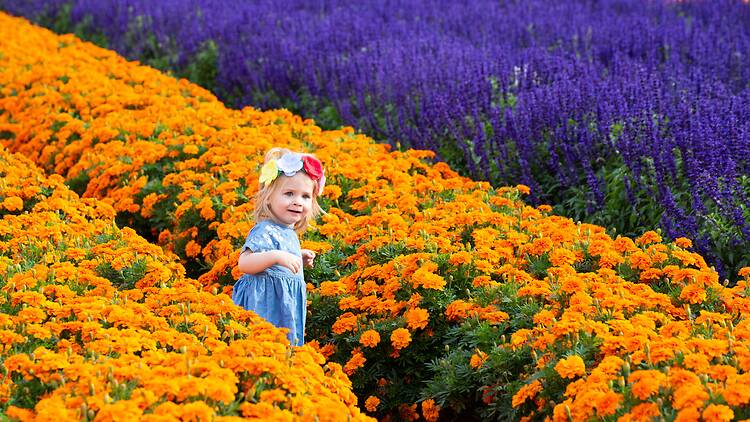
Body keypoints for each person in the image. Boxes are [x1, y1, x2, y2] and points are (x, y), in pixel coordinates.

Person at [232, 147, 325, 346]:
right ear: (268, 197)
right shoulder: (264, 229)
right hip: (264, 308)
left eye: (305, 196)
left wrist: (296, 256)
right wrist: (277, 256)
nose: (297, 202)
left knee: (283, 350)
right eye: (289, 193)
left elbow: (277, 263)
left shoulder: (288, 232)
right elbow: (245, 263)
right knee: (263, 349)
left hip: (283, 307)